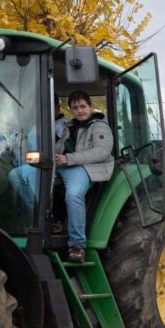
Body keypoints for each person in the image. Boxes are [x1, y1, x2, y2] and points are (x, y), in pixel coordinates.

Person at [55, 91, 114, 263]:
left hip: (86, 167)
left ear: (90, 106)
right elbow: (59, 147)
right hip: (63, 165)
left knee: (74, 194)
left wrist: (69, 159)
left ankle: (77, 245)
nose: (80, 111)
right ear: (70, 110)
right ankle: (51, 222)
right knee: (19, 176)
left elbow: (102, 152)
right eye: (75, 108)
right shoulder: (69, 126)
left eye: (83, 106)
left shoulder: (99, 126)